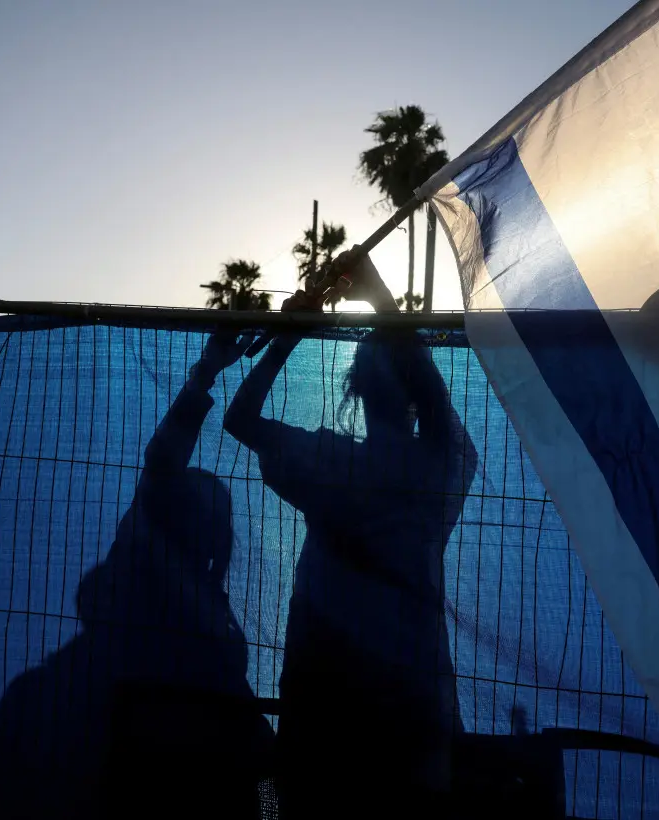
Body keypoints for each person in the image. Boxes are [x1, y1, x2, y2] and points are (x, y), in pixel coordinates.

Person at [222, 249, 477, 817]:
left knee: (290, 804)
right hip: (412, 698)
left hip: (321, 688)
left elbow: (239, 419)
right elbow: (434, 404)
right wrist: (381, 299)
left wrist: (289, 336)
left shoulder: (326, 461)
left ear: (355, 389)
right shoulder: (443, 467)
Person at [0, 332, 273, 820]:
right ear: (216, 545)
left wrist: (207, 370)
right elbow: (264, 773)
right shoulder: (212, 650)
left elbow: (160, 467)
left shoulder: (113, 612)